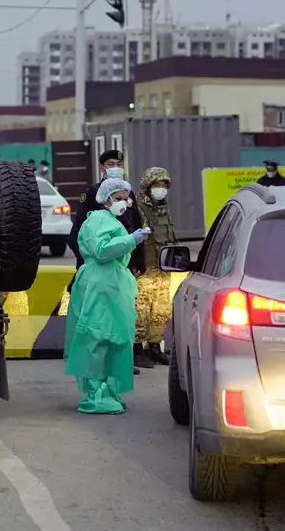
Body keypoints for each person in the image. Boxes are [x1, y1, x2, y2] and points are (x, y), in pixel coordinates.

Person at [64, 178, 150, 414]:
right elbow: (102, 251)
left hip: (112, 284)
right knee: (98, 336)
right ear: (105, 198)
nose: (123, 203)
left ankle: (109, 389)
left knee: (115, 337)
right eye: (118, 198)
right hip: (99, 285)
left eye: (125, 198)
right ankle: (96, 392)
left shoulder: (111, 220)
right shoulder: (98, 220)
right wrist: (130, 240)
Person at [67, 149, 147, 371]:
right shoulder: (95, 196)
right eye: (111, 163)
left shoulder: (125, 193)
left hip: (122, 268)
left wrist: (138, 261)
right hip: (101, 272)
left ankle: (120, 361)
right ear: (102, 166)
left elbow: (135, 228)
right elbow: (79, 236)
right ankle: (101, 369)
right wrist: (86, 263)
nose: (116, 167)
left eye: (119, 163)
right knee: (100, 322)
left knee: (122, 317)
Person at [135, 167, 178, 366]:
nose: (160, 189)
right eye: (156, 185)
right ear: (147, 186)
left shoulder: (164, 208)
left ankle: (154, 346)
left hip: (163, 268)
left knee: (161, 310)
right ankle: (136, 350)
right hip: (145, 269)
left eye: (163, 185)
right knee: (140, 310)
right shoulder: (137, 208)